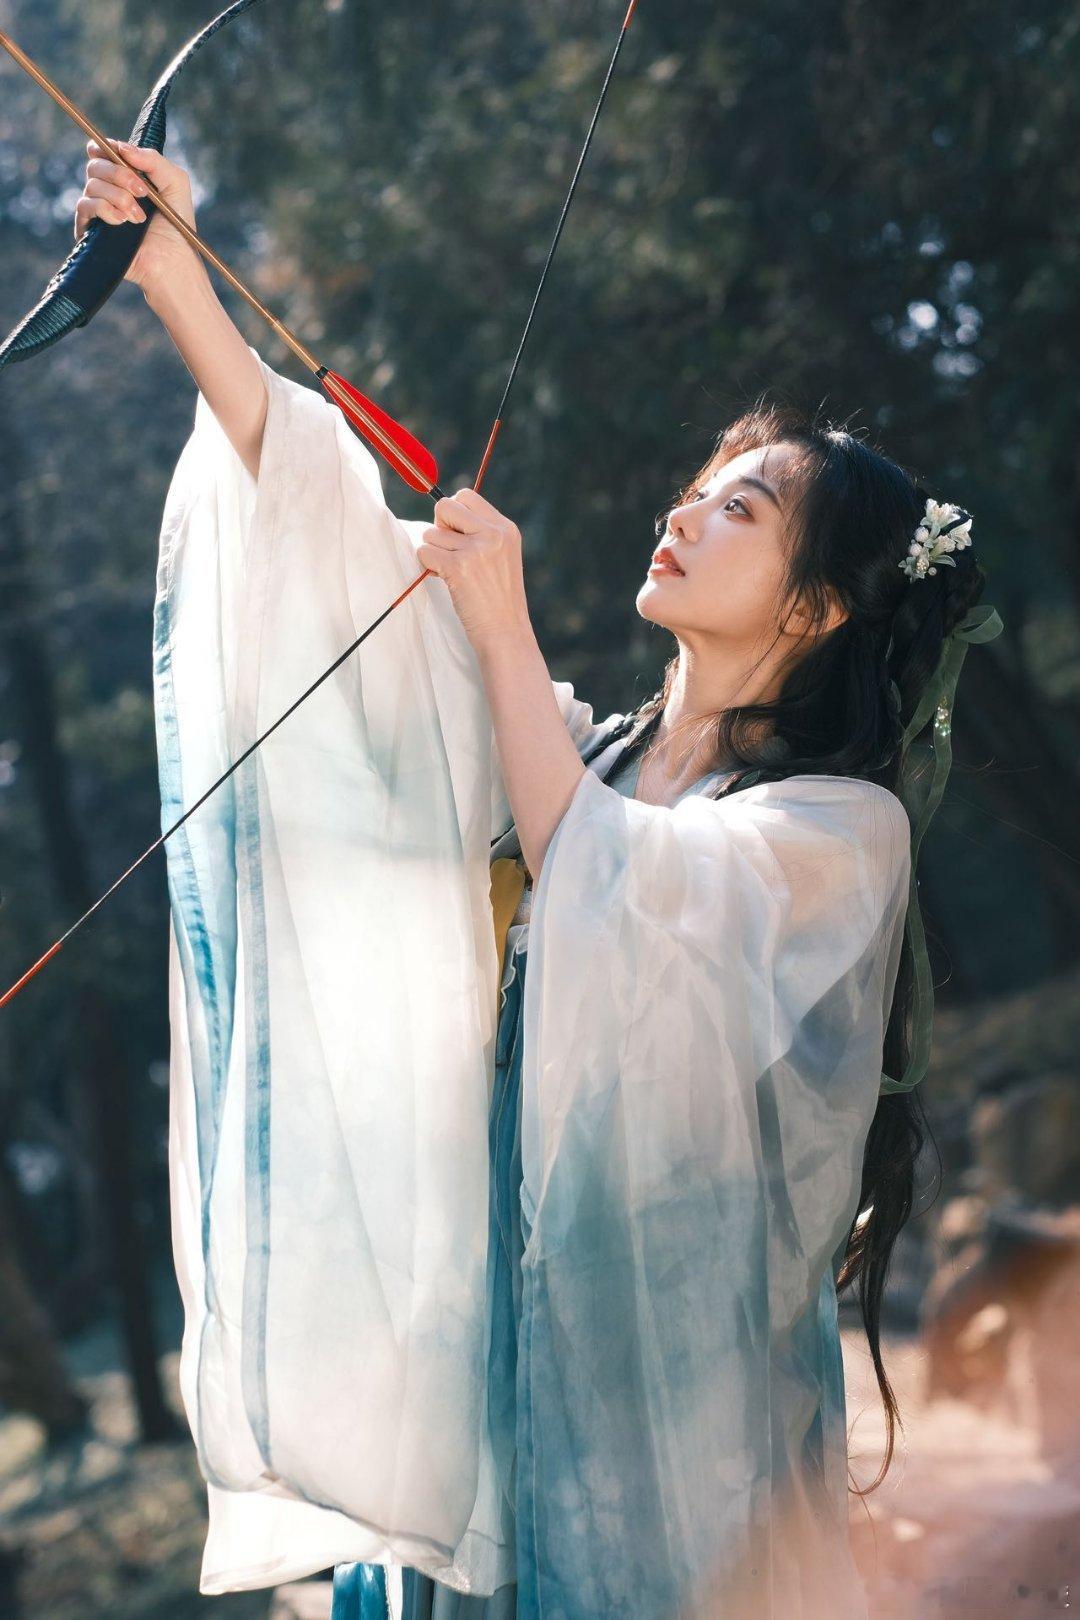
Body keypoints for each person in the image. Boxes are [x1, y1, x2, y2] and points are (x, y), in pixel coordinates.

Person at [74, 137, 997, 1620]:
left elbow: (612, 890)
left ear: (820, 608)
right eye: (696, 490)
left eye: (742, 509)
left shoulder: (838, 830)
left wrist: (502, 627)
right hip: (500, 1334)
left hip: (674, 1406)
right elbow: (338, 555)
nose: (682, 515)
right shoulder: (590, 755)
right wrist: (178, 273)